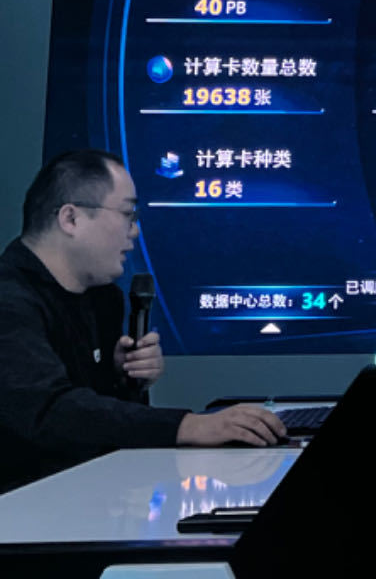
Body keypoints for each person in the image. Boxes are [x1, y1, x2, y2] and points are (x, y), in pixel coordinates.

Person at [0, 149, 286, 493]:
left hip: (90, 496)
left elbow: (99, 426)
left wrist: (123, 380)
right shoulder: (9, 300)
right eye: (127, 214)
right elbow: (48, 411)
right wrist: (189, 426)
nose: (134, 231)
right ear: (71, 219)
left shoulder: (102, 298)